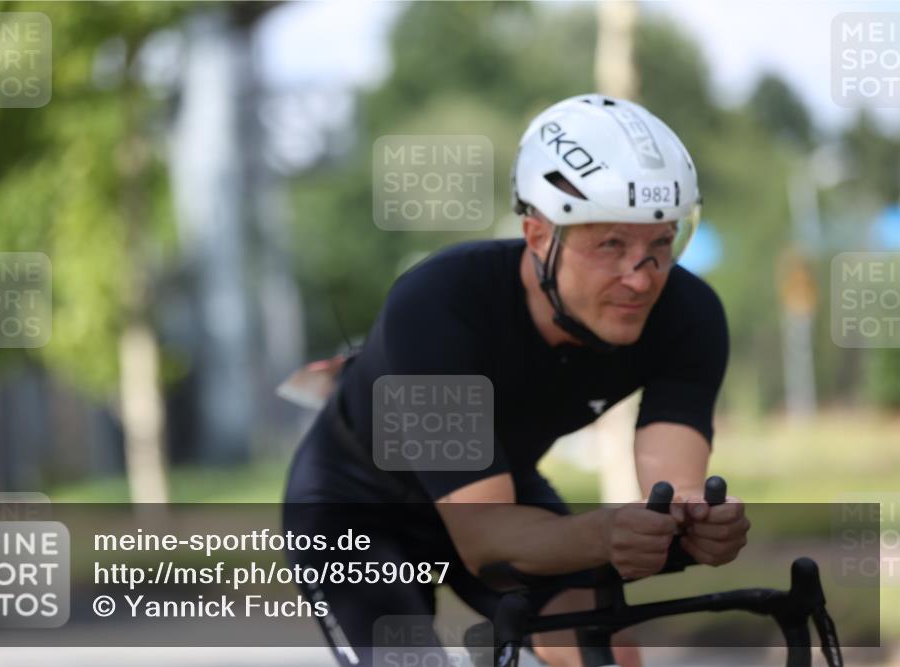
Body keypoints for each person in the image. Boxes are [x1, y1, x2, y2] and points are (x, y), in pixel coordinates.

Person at [282, 94, 750, 667]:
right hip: (358, 505)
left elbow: (674, 492)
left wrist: (698, 525)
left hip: (496, 486)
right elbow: (485, 540)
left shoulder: (687, 313)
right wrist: (605, 534)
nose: (641, 278)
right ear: (537, 236)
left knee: (609, 656)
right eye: (611, 244)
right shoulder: (439, 306)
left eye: (662, 242)